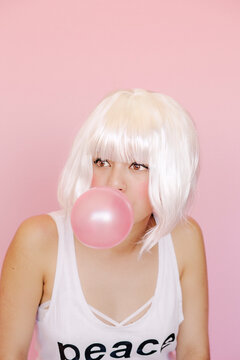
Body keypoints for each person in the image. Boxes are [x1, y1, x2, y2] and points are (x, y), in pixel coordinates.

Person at [0, 89, 210, 360]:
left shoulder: (184, 238)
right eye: (102, 161)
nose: (113, 182)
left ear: (170, 174)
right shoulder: (39, 240)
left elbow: (194, 351)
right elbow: (8, 353)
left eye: (137, 165)